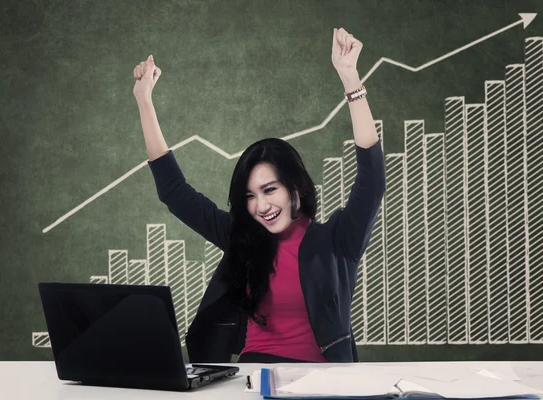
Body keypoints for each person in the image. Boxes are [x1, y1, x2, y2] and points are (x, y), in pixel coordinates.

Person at [132, 27, 385, 363]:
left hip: (322, 384)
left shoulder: (337, 242)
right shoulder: (243, 239)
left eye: (270, 190)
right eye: (250, 196)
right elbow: (175, 192)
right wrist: (144, 100)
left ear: (295, 188)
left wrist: (350, 79)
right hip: (252, 381)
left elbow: (372, 181)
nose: (261, 206)